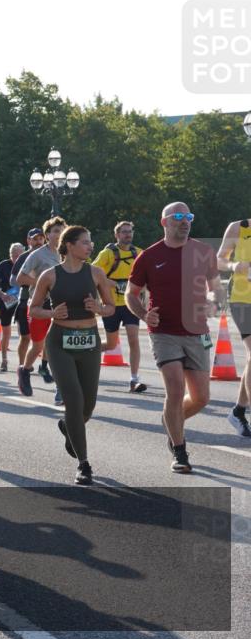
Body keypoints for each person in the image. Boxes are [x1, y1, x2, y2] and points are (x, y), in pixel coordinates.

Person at [126, 202, 224, 473]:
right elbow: (131, 294)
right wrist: (144, 315)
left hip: (196, 331)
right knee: (176, 389)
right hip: (164, 332)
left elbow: (215, 288)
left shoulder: (204, 252)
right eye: (178, 217)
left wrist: (214, 302)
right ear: (164, 222)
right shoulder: (148, 256)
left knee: (202, 397)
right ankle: (180, 451)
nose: (185, 221)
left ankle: (171, 420)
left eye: (188, 216)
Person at [30, 226, 115, 485]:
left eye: (91, 242)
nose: (90, 247)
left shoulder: (96, 273)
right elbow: (33, 309)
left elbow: (111, 308)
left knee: (88, 406)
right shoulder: (49, 275)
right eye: (85, 243)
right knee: (74, 402)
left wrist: (99, 308)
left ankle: (69, 427)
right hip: (59, 344)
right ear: (69, 246)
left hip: (89, 342)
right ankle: (84, 463)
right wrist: (52, 314)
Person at [15, 218, 67, 402]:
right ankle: (25, 370)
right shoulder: (38, 255)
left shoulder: (68, 254)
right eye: (55, 231)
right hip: (40, 306)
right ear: (47, 236)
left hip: (61, 307)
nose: (59, 234)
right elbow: (20, 278)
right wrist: (41, 282)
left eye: (62, 231)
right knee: (38, 345)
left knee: (59, 348)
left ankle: (61, 389)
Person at [93, 221, 146, 392]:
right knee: (110, 344)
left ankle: (134, 379)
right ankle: (87, 353)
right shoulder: (107, 253)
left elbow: (148, 276)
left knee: (133, 339)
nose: (128, 235)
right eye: (124, 232)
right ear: (117, 235)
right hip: (111, 305)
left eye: (130, 231)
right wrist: (113, 284)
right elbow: (91, 273)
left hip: (130, 304)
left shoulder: (139, 253)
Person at [217, 219, 251, 438]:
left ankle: (238, 411)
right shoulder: (240, 227)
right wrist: (233, 266)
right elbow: (219, 260)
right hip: (243, 298)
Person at [9, 229, 46, 376]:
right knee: (25, 337)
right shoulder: (24, 257)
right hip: (25, 300)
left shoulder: (50, 255)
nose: (38, 242)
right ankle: (22, 366)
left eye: (40, 238)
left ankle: (45, 365)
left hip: (46, 301)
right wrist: (35, 282)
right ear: (28, 241)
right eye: (34, 239)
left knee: (46, 337)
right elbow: (13, 280)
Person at [0, 242, 26, 372]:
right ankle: (4, 360)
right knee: (6, 332)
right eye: (14, 255)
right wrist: (2, 294)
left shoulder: (27, 264)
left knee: (23, 332)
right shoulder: (3, 266)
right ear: (10, 255)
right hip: (6, 302)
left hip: (22, 301)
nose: (17, 258)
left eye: (20, 255)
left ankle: (23, 364)